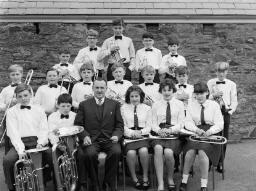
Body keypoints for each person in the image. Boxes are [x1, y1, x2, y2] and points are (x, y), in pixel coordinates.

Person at [74, 78, 124, 191]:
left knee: (116, 152)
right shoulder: (83, 104)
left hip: (110, 139)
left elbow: (120, 125)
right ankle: (95, 183)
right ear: (92, 88)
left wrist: (116, 135)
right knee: (90, 154)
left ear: (106, 89)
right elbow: (78, 124)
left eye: (102, 88)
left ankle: (108, 182)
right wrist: (85, 136)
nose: (99, 90)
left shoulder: (115, 104)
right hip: (92, 139)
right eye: (97, 87)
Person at [3, 83, 49, 191]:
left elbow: (44, 129)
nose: (23, 99)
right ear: (16, 97)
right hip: (19, 142)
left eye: (25, 95)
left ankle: (48, 182)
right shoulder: (11, 112)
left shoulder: (39, 109)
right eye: (20, 96)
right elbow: (13, 133)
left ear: (30, 95)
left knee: (51, 156)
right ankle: (12, 188)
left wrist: (41, 143)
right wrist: (20, 150)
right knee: (8, 160)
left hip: (37, 141)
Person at [180, 82, 224, 191]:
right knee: (190, 152)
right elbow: (188, 122)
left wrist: (210, 131)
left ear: (207, 93)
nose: (199, 96)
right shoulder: (191, 105)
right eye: (197, 93)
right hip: (197, 133)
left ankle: (203, 185)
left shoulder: (214, 105)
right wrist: (196, 130)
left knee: (202, 152)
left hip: (211, 133)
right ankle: (184, 181)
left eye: (202, 93)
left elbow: (220, 123)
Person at [151, 79, 185, 191]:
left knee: (168, 152)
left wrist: (170, 130)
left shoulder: (180, 104)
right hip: (160, 133)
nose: (166, 92)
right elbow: (153, 123)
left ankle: (170, 178)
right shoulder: (155, 105)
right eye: (164, 90)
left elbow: (181, 123)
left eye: (169, 90)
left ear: (173, 90)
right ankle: (160, 183)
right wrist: (159, 131)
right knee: (158, 148)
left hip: (174, 134)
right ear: (161, 91)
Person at [207, 61, 238, 172]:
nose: (221, 74)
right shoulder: (210, 82)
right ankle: (210, 161)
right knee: (212, 137)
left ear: (227, 71)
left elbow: (234, 101)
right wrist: (213, 95)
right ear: (216, 71)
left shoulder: (232, 84)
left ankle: (220, 162)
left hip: (225, 113)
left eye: (223, 71)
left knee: (224, 138)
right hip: (212, 113)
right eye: (219, 71)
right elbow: (205, 98)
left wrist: (229, 111)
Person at [121, 85, 152, 190]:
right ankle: (134, 178)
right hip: (129, 136)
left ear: (141, 96)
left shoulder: (147, 108)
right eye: (132, 96)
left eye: (137, 96)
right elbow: (122, 125)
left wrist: (141, 132)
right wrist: (131, 133)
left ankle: (145, 177)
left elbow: (149, 126)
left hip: (143, 136)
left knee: (143, 151)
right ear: (128, 97)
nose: (134, 99)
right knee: (131, 153)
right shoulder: (123, 108)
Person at [0, 64, 24, 153]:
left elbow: (32, 102)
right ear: (9, 76)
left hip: (23, 116)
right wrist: (6, 105)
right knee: (8, 139)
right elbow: (0, 103)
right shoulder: (5, 90)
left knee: (23, 137)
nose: (15, 77)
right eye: (13, 74)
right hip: (9, 117)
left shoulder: (27, 87)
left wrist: (20, 100)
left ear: (21, 74)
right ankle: (9, 159)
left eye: (17, 74)